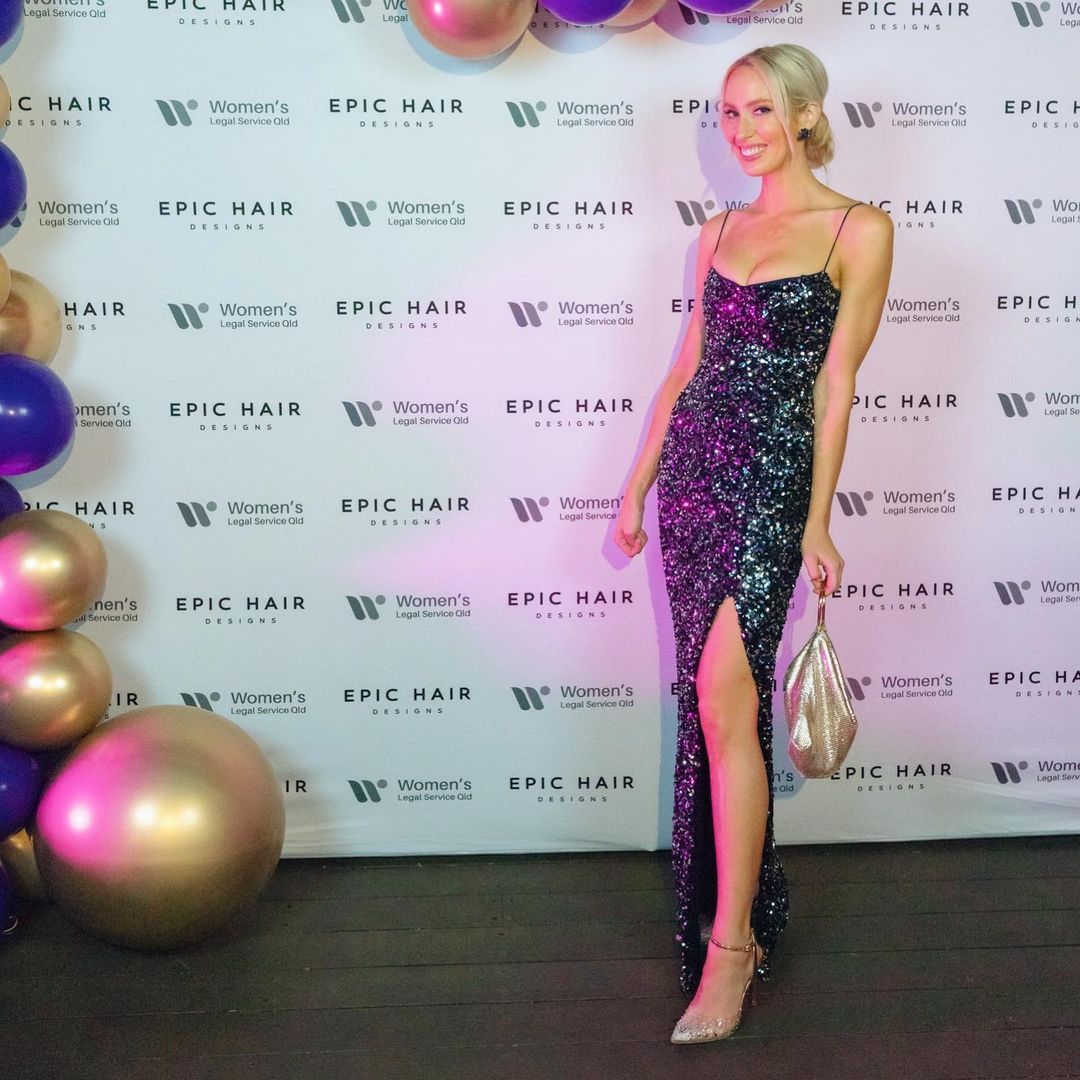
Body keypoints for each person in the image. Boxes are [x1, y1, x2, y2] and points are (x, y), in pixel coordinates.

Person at [614, 43, 894, 1044]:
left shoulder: (860, 230)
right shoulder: (717, 232)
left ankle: (731, 949)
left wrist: (818, 517)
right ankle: (734, 914)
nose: (741, 132)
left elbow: (838, 386)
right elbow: (686, 369)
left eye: (761, 111)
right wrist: (638, 484)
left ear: (807, 115)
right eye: (729, 114)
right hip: (693, 479)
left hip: (775, 483)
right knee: (713, 702)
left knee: (724, 692)